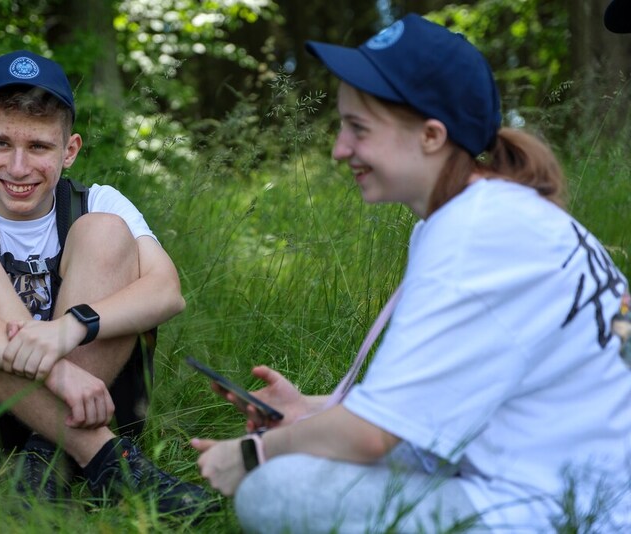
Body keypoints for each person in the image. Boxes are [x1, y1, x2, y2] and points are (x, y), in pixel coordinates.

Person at [191, 13, 631, 533]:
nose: (339, 149)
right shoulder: (481, 215)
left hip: (566, 511)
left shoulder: (476, 233)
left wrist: (251, 454)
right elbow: (435, 396)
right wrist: (313, 411)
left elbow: (374, 436)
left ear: (431, 135)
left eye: (359, 129)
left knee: (274, 488)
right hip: (550, 481)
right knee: (303, 458)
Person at [0, 49, 214, 516]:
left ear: (71, 149)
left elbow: (166, 292)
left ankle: (46, 462)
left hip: (89, 405)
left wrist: (72, 327)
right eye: (2, 144)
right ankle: (108, 461)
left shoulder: (100, 202)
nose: (18, 168)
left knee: (105, 233)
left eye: (39, 147)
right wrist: (55, 370)